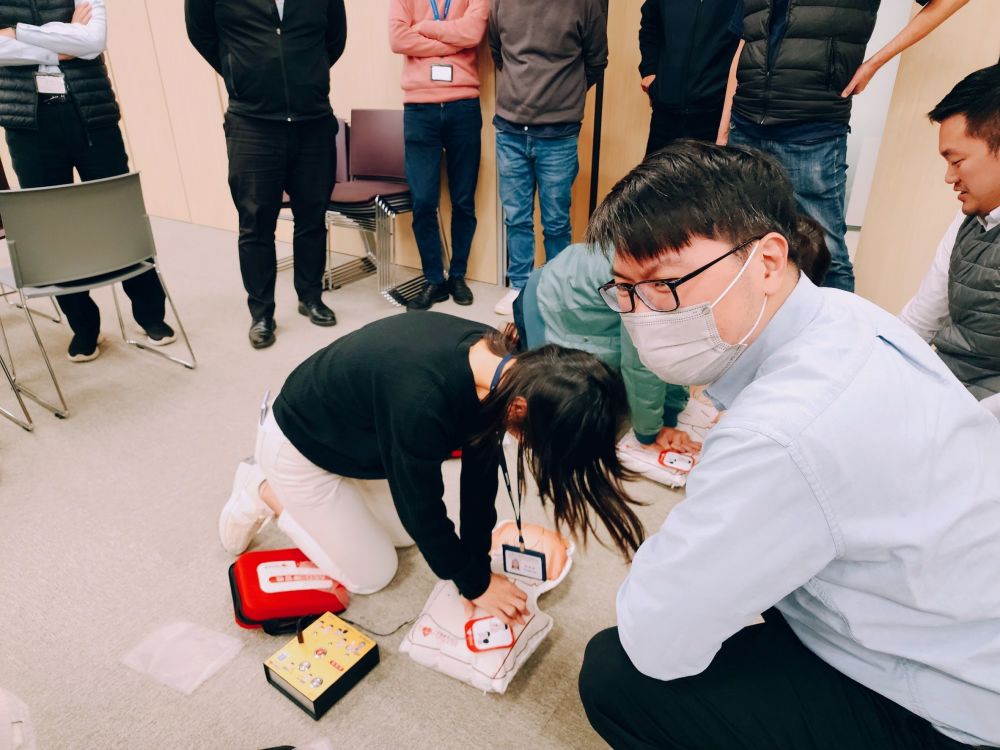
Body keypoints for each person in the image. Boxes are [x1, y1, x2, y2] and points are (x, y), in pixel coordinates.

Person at [577, 140, 1000, 749]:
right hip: (964, 620)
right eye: (625, 290)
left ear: (768, 261)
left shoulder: (779, 434)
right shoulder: (848, 315)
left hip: (952, 707)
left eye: (666, 284)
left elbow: (658, 637)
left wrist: (699, 524)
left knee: (617, 674)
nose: (643, 314)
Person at [218, 312, 644, 626]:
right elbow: (420, 507)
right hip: (300, 447)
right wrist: (474, 583)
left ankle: (326, 498)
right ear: (521, 409)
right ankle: (261, 490)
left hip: (362, 444)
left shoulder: (507, 374)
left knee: (408, 540)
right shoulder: (422, 400)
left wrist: (476, 570)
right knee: (374, 573)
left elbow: (480, 481)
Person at [719, 0, 970, 293]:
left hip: (812, 130)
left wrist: (874, 63)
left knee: (828, 257)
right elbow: (745, 43)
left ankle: (842, 325)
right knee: (741, 243)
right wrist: (724, 131)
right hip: (745, 126)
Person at [0, 0, 175, 362]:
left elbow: (93, 41)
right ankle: (83, 326)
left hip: (92, 113)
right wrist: (63, 44)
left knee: (120, 214)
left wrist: (18, 33)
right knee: (52, 230)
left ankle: (150, 314)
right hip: (28, 123)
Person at [185, 0, 347, 349]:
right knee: (255, 224)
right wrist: (243, 72)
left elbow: (335, 38)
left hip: (313, 121)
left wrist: (306, 74)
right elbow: (201, 34)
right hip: (252, 124)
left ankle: (311, 297)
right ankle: (261, 313)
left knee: (312, 218)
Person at [512, 243, 697, 466]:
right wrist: (650, 432)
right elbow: (641, 363)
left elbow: (670, 345)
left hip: (572, 278)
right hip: (544, 295)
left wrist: (671, 409)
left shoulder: (675, 268)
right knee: (554, 400)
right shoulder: (649, 280)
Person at [488, 0, 607, 317]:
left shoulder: (584, 4)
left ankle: (557, 289)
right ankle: (519, 286)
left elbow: (596, 61)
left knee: (555, 222)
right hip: (510, 130)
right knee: (516, 218)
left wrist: (563, 98)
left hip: (559, 133)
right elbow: (497, 51)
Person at [900, 64, 1000, 421]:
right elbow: (921, 318)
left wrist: (960, 425)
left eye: (957, 161)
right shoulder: (968, 219)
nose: (949, 177)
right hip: (946, 390)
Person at [389, 0, 489, 312]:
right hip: (419, 109)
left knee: (463, 200)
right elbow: (398, 39)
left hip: (464, 106)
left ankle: (457, 275)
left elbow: (472, 34)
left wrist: (424, 28)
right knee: (423, 202)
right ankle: (434, 279)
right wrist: (451, 42)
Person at [638, 0, 741, 155]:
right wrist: (649, 70)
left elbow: (746, 41)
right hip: (665, 112)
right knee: (657, 170)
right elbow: (650, 25)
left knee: (706, 171)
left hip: (712, 115)